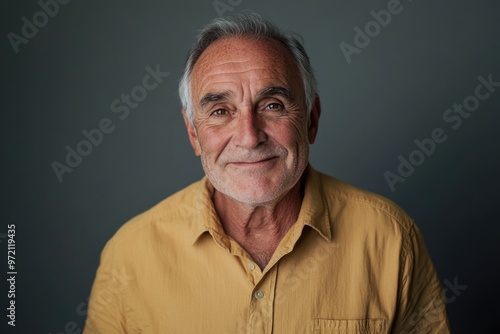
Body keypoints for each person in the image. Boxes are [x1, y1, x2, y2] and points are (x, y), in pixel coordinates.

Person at [83, 12, 450, 333]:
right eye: (221, 111)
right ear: (193, 133)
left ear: (311, 120)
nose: (249, 136)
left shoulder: (391, 240)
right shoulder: (129, 255)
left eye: (272, 105)